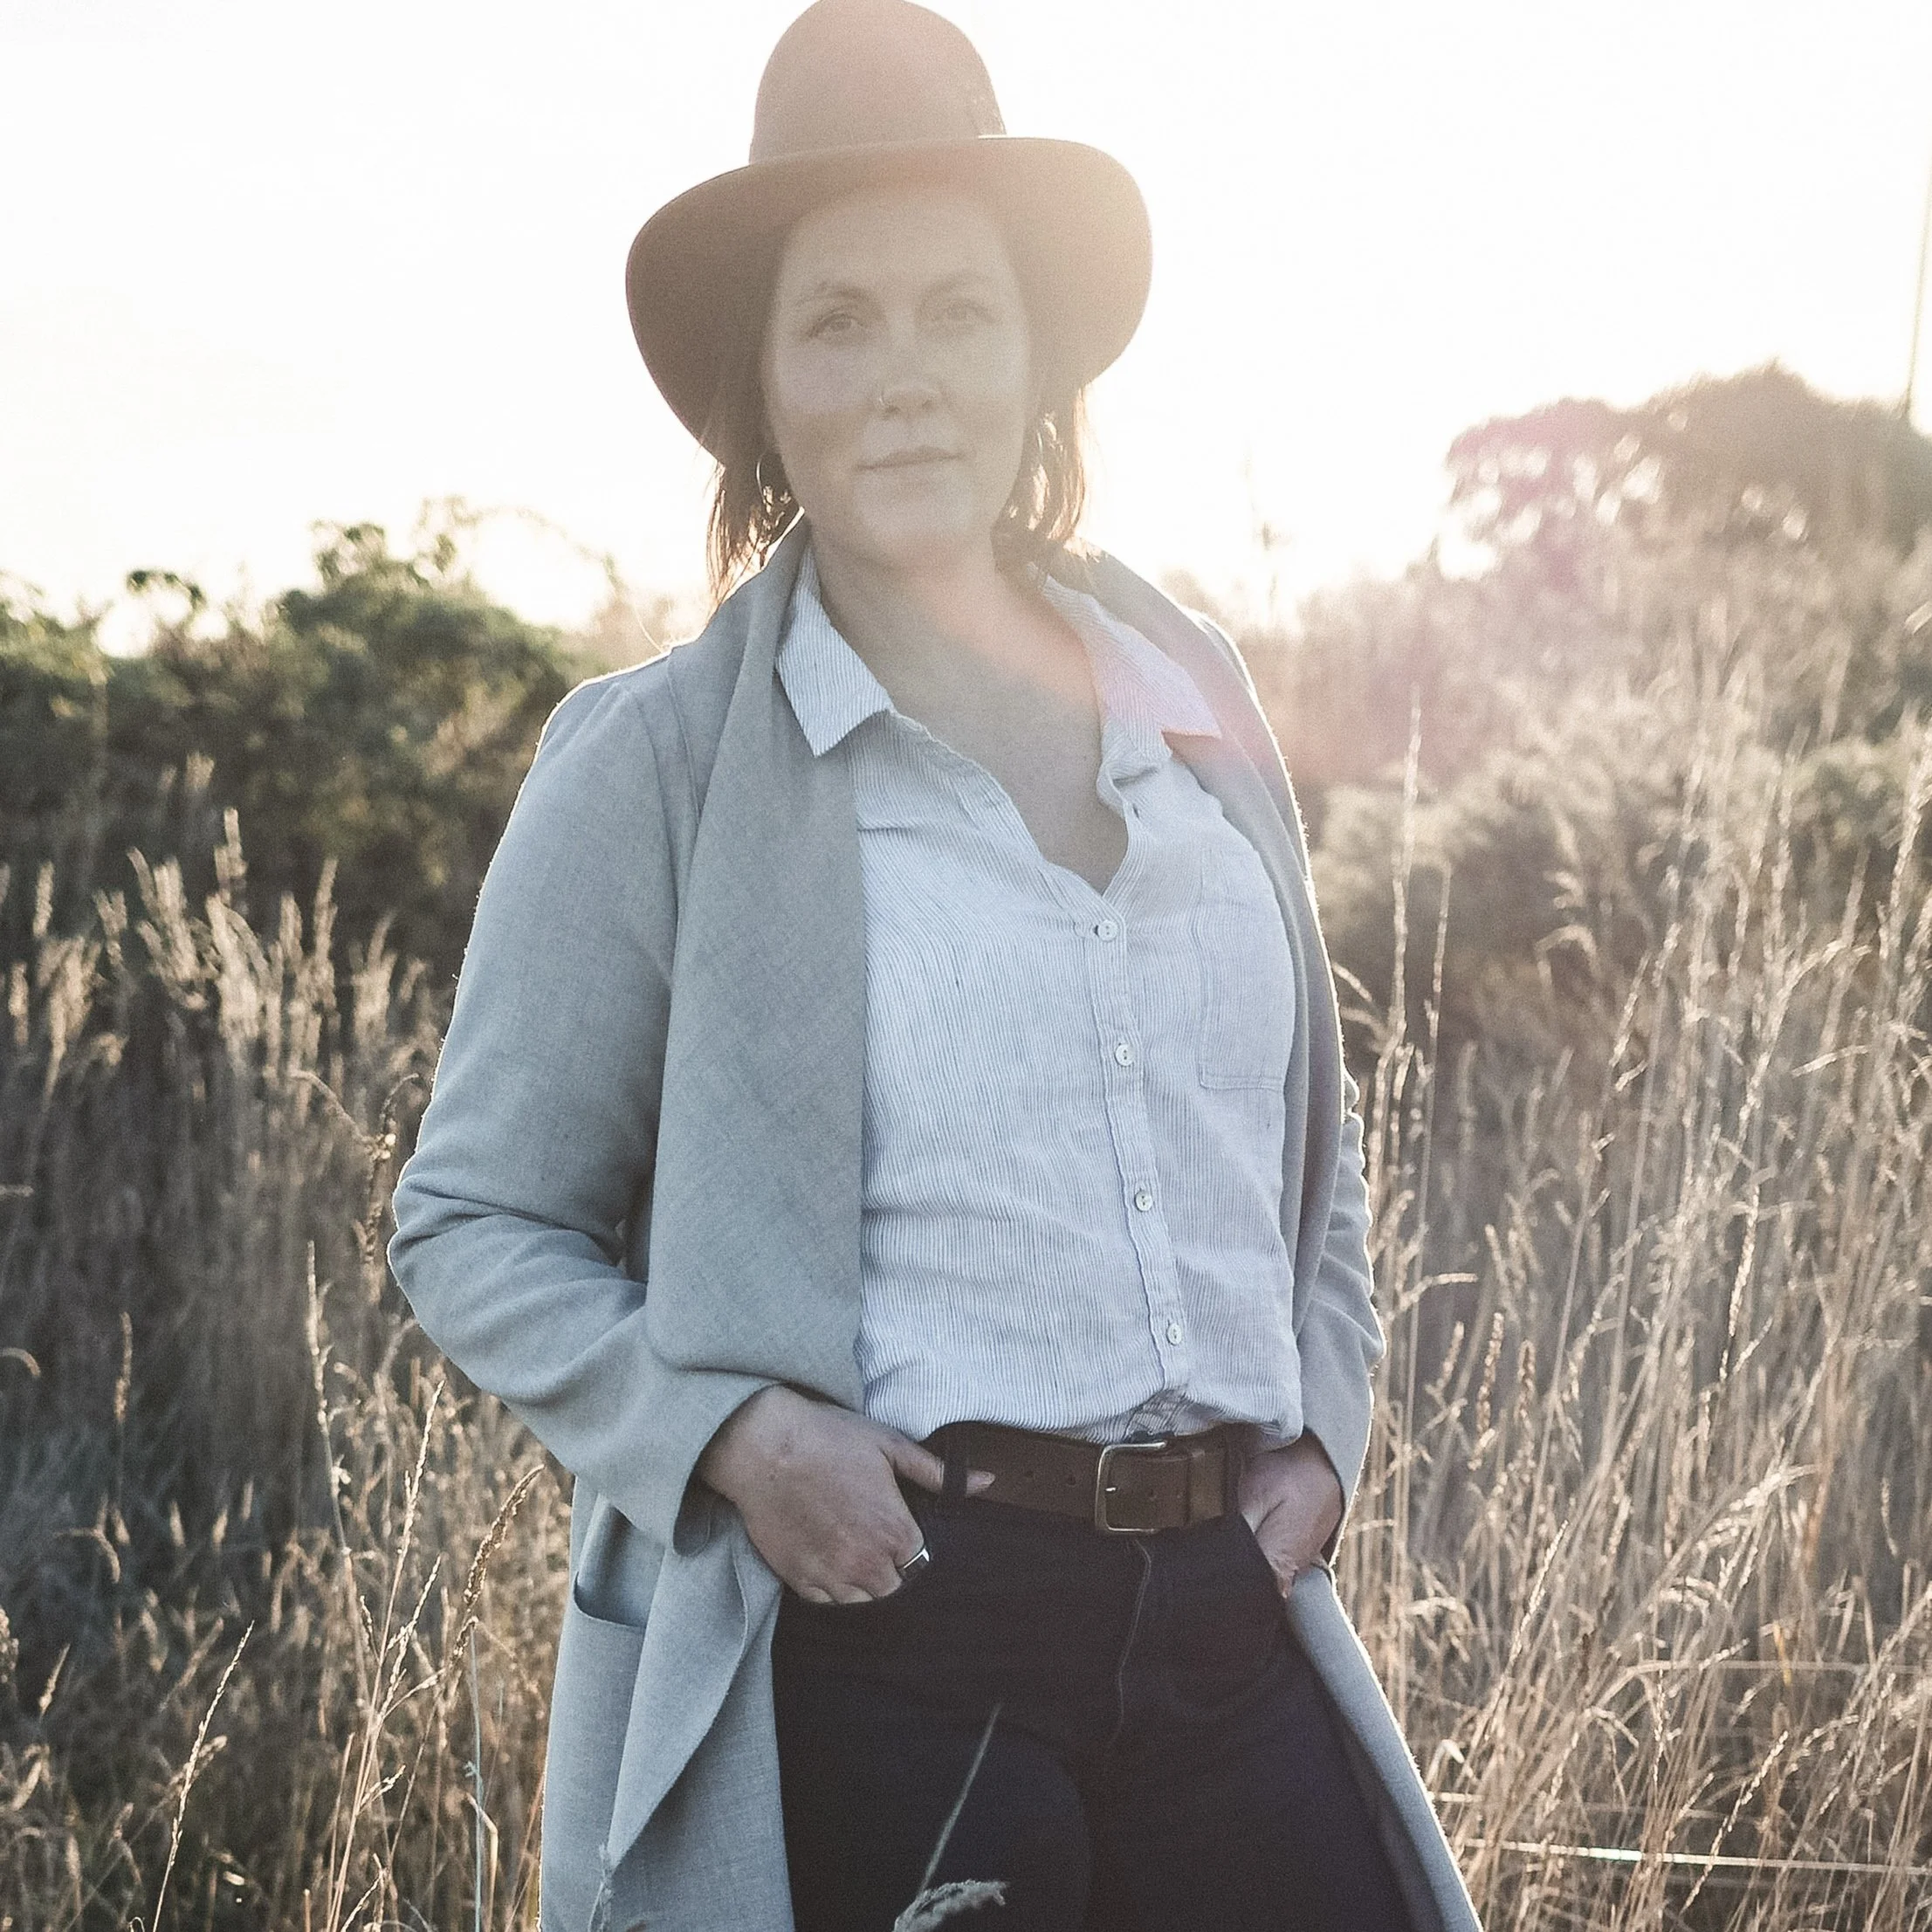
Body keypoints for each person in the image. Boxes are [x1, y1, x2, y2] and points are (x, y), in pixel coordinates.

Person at [388, 3, 1481, 1929]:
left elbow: (1296, 1121)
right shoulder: (659, 763)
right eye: (839, 320)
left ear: (1036, 354)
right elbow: (469, 1218)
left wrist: (1322, 1410)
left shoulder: (1195, 689)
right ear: (763, 384)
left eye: (959, 312)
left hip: (1230, 1617)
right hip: (901, 1627)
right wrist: (729, 1436)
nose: (905, 380)